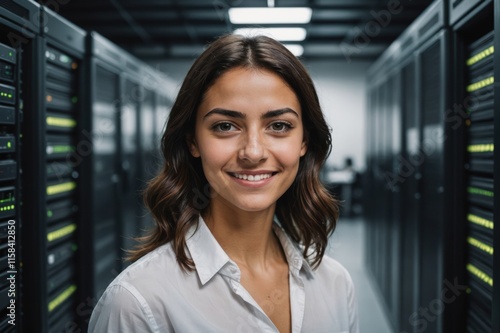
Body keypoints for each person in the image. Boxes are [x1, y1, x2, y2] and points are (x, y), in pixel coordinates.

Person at [88, 34, 358, 333]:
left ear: (304, 141)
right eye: (225, 126)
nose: (253, 152)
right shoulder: (138, 302)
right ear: (193, 141)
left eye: (279, 126)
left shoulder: (334, 283)